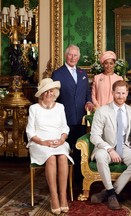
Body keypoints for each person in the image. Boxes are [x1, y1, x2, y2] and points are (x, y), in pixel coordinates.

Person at [26, 78, 74, 215]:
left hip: (58, 141)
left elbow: (65, 127)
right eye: (45, 91)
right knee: (51, 157)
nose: (49, 93)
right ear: (41, 94)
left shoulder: (60, 107)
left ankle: (63, 197)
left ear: (55, 93)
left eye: (51, 91)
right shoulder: (34, 108)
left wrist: (62, 139)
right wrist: (43, 142)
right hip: (39, 143)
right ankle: (54, 197)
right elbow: (30, 131)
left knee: (63, 157)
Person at [89, 80, 131, 210]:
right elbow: (94, 136)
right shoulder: (102, 111)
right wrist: (109, 149)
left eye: (123, 93)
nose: (121, 96)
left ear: (127, 93)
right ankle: (112, 194)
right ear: (112, 93)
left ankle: (109, 192)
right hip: (106, 146)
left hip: (125, 146)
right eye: (118, 93)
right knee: (100, 156)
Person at [51, 44, 94, 186]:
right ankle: (64, 181)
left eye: (76, 55)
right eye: (70, 55)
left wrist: (88, 101)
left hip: (80, 118)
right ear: (65, 55)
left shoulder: (82, 73)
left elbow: (87, 92)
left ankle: (78, 180)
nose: (73, 58)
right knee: (65, 151)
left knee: (80, 150)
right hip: (64, 119)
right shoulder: (57, 74)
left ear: (79, 57)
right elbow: (54, 97)